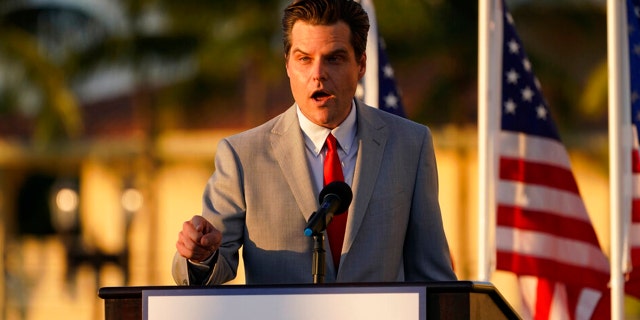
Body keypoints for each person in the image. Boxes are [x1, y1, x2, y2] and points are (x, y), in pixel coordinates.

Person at [173, 0, 456, 285]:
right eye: (304, 58)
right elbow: (211, 263)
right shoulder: (242, 156)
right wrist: (200, 255)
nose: (318, 74)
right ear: (287, 64)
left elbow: (433, 277)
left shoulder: (410, 145)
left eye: (334, 58)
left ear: (361, 64)